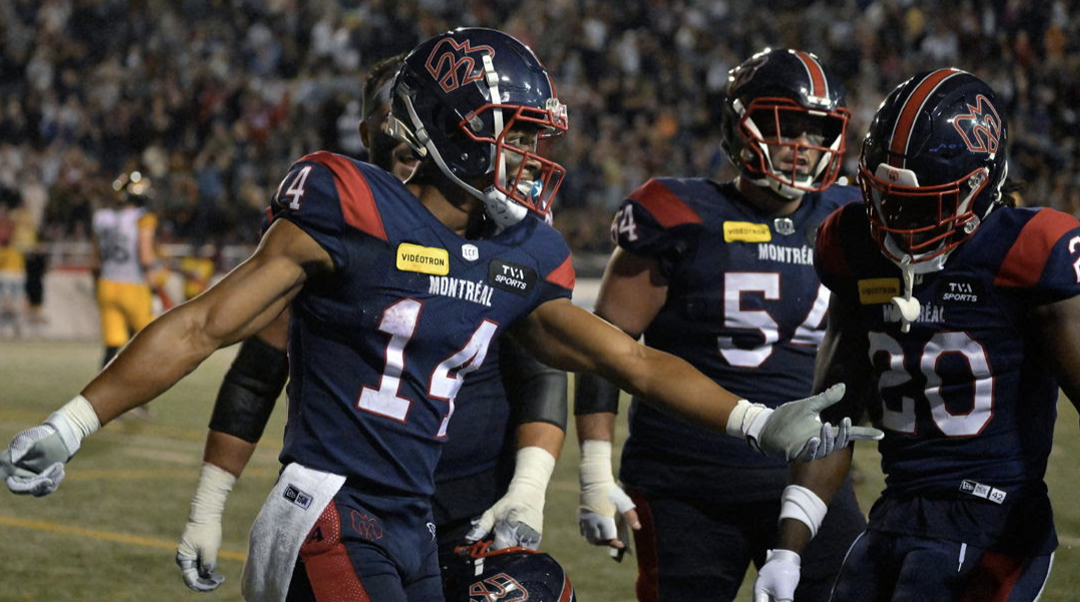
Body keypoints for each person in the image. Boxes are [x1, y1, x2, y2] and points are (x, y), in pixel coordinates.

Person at [0, 28, 879, 602]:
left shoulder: (520, 253)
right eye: (519, 133)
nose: (534, 157)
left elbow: (628, 360)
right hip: (329, 510)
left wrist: (761, 419)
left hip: (421, 524)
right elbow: (204, 327)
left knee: (541, 590)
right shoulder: (350, 206)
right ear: (456, 128)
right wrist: (74, 423)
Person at [175, 53, 571, 596]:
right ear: (369, 131)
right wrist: (208, 505)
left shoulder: (499, 230)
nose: (412, 134)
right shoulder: (341, 228)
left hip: (468, 511)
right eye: (395, 118)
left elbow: (544, 367)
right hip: (356, 509)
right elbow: (256, 371)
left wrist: (531, 485)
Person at [754, 68, 1080, 602]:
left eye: (921, 201)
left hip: (993, 525)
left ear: (980, 185)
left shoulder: (1028, 252)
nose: (896, 219)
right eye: (884, 197)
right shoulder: (853, 244)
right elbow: (835, 410)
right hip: (896, 513)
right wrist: (788, 547)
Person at [573, 48, 868, 602]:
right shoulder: (678, 214)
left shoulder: (851, 219)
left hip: (812, 476)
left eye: (816, 131)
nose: (803, 148)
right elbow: (606, 347)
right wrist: (593, 469)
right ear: (742, 126)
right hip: (687, 483)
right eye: (787, 129)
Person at [90, 171, 160, 367]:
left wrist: (96, 285)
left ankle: (101, 392)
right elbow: (145, 255)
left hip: (107, 284)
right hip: (133, 285)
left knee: (112, 344)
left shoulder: (102, 218)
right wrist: (153, 284)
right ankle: (139, 389)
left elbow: (95, 261)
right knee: (147, 341)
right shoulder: (143, 218)